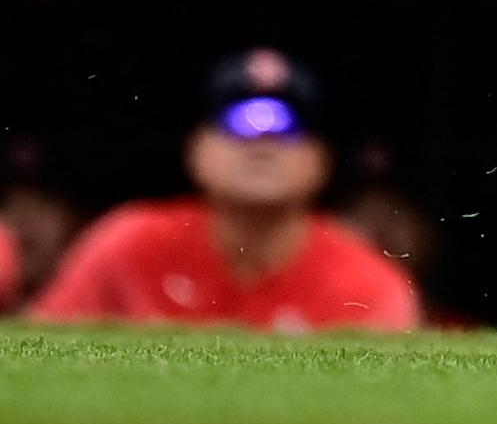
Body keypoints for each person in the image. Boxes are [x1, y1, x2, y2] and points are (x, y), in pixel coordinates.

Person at [30, 54, 415, 332]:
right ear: (196, 150)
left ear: (322, 162)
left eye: (287, 128)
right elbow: (42, 352)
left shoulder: (366, 281)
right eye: (237, 123)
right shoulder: (129, 241)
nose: (262, 143)